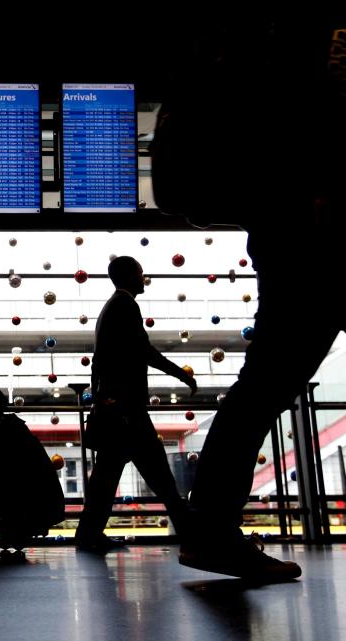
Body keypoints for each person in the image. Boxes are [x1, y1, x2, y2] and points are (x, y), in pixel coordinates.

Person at [151, 14, 345, 581]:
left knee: (262, 389)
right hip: (315, 235)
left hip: (291, 235)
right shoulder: (302, 47)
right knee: (264, 389)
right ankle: (211, 530)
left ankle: (210, 530)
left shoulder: (262, 49)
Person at [75, 256, 198, 554]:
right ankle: (193, 534)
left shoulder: (111, 308)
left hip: (115, 409)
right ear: (130, 275)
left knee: (108, 477)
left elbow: (100, 360)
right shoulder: (125, 306)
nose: (144, 278)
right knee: (159, 476)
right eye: (141, 273)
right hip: (127, 411)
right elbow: (144, 351)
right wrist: (180, 374)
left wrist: (99, 397)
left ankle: (88, 533)